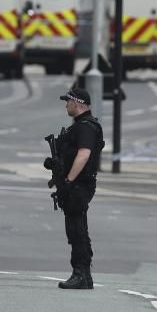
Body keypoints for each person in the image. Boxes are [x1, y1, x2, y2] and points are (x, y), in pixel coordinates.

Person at [53, 87, 104, 290]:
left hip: (79, 185)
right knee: (76, 228)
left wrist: (68, 180)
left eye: (68, 102)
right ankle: (84, 275)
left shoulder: (85, 127)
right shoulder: (81, 126)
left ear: (77, 103)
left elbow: (83, 155)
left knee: (77, 230)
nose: (66, 105)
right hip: (76, 183)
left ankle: (81, 274)